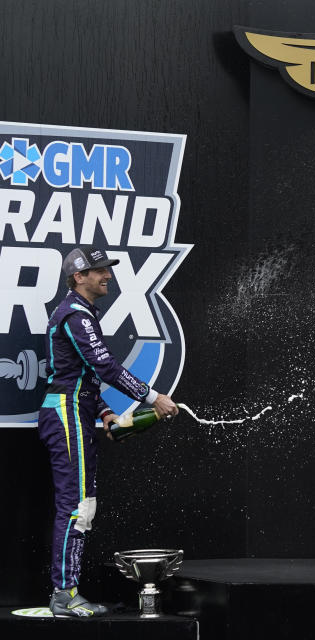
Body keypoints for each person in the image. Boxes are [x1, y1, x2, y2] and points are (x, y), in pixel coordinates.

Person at [37, 246, 179, 617]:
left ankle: (66, 592)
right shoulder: (75, 314)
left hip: (77, 410)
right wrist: (153, 397)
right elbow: (104, 366)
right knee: (76, 508)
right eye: (99, 270)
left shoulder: (82, 314)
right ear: (78, 277)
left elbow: (83, 374)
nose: (108, 276)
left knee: (84, 507)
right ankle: (63, 594)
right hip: (65, 413)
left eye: (107, 269)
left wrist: (105, 413)